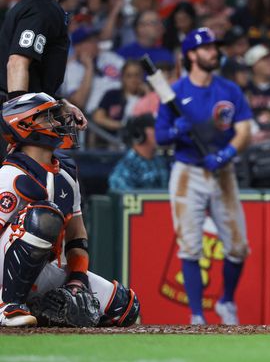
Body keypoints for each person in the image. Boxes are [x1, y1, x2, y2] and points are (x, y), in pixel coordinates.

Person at [0, 93, 139, 327]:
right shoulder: (10, 175)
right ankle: (8, 307)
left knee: (123, 307)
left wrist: (77, 279)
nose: (59, 121)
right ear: (25, 125)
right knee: (44, 217)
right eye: (49, 117)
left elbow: (77, 235)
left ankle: (37, 307)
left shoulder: (65, 173)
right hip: (4, 270)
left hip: (41, 268)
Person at [154, 28, 253, 325]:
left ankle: (226, 302)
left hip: (222, 170)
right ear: (191, 55)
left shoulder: (229, 89)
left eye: (214, 47)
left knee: (238, 246)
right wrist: (176, 132)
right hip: (187, 170)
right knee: (190, 244)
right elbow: (160, 136)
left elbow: (245, 130)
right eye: (207, 48)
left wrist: (225, 155)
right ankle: (196, 315)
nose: (214, 52)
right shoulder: (175, 92)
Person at [0, 0, 88, 129]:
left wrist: (59, 103)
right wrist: (21, 118)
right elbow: (17, 63)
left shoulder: (38, 5)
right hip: (13, 112)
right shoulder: (41, 6)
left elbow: (34, 74)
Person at [108, 114, 170, 191]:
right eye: (155, 128)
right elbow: (121, 198)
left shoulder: (161, 162)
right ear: (140, 134)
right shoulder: (126, 167)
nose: (160, 133)